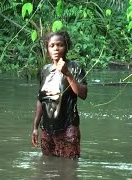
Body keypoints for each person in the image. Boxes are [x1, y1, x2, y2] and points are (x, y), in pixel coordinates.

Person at [31, 30, 88, 159]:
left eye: (60, 45)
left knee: (69, 169)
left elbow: (83, 94)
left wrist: (67, 73)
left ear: (67, 47)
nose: (56, 48)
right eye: (52, 46)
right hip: (47, 130)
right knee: (47, 168)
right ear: (47, 49)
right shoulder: (45, 70)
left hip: (68, 128)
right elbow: (41, 99)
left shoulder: (75, 67)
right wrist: (35, 127)